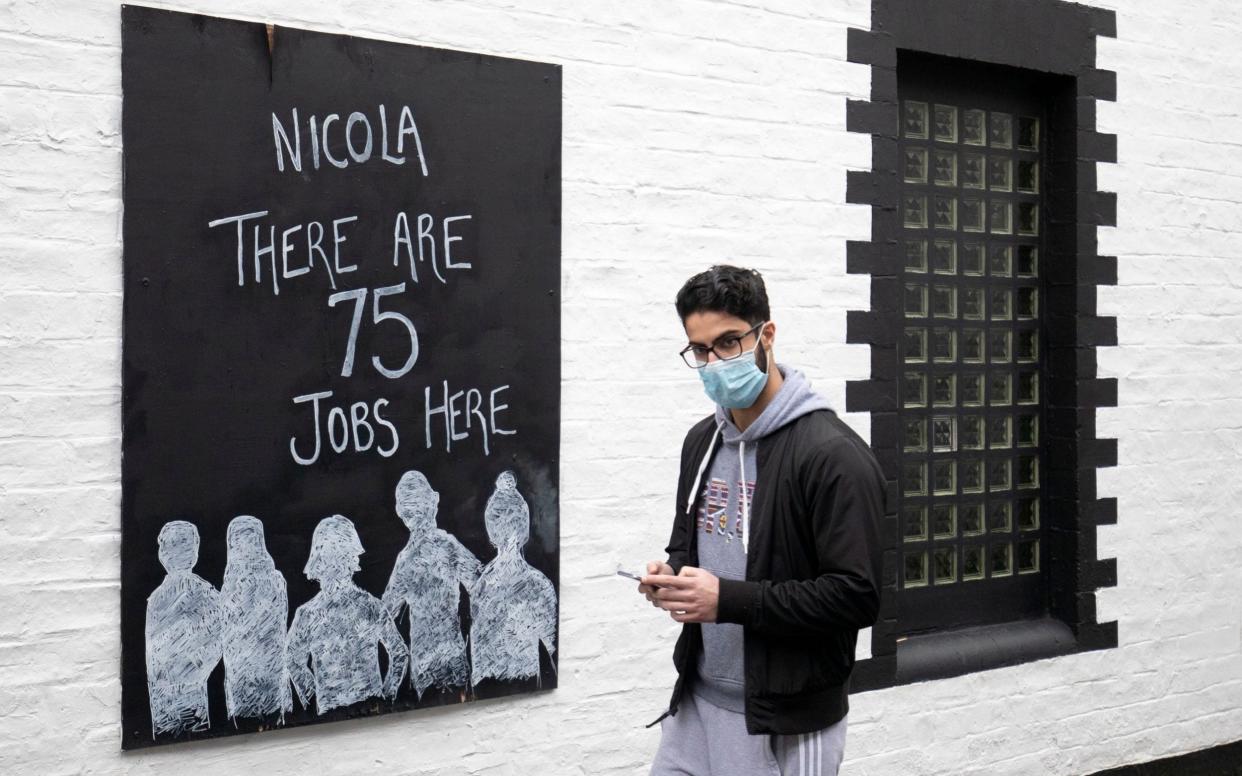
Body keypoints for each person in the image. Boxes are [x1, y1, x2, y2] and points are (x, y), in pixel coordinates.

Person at [641, 265, 884, 776]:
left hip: (787, 724)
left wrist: (725, 599)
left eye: (729, 342)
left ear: (766, 335)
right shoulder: (700, 442)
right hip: (696, 704)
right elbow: (690, 548)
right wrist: (671, 579)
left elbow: (855, 595)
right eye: (700, 350)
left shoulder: (832, 455)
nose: (714, 362)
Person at [286, 515, 409, 714]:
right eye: (330, 557)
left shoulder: (369, 606)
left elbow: (400, 653)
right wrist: (315, 700)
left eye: (339, 557)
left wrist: (387, 695)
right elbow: (292, 660)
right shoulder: (308, 614)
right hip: (342, 711)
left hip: (363, 709)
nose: (334, 565)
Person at [383, 470, 482, 697]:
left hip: (422, 664)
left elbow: (386, 612)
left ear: (402, 513)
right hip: (453, 654)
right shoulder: (447, 546)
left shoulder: (405, 561)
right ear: (433, 501)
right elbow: (479, 585)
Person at [470, 471, 558, 685]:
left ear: (491, 531)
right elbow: (552, 652)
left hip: (485, 693)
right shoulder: (540, 585)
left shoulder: (480, 588)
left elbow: (477, 656)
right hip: (528, 687)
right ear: (524, 529)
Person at [145, 520, 223, 737]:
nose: (167, 552)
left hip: (189, 693)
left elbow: (222, 634)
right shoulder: (157, 598)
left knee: (191, 736)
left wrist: (195, 666)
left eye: (173, 546)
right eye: (166, 546)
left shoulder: (204, 593)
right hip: (162, 697)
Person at [220, 515, 293, 723]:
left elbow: (277, 627)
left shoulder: (272, 580)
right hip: (242, 678)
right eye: (239, 541)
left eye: (249, 540)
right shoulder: (231, 587)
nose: (244, 547)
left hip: (267, 673)